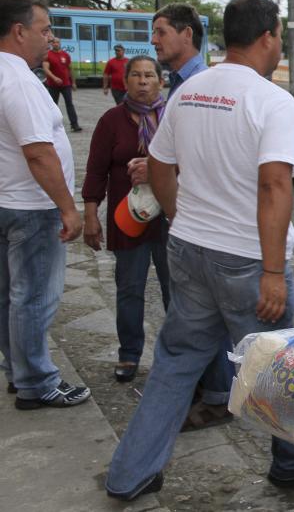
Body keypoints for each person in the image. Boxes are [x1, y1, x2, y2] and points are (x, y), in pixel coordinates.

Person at [105, 0, 294, 501]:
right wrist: (273, 271)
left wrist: (180, 215)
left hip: (189, 250)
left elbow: (159, 164)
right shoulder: (270, 99)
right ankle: (293, 462)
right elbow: (275, 185)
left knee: (176, 361)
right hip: (247, 262)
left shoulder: (190, 90)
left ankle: (130, 473)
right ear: (270, 35)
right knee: (273, 366)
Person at [0, 0, 88, 408]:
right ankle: (37, 381)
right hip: (31, 208)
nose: (49, 39)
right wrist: (68, 208)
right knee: (33, 297)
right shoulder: (18, 80)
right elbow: (38, 151)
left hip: (5, 201)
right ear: (19, 31)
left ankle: (19, 368)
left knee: (8, 295)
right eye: (44, 29)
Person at [152, 2, 234, 430]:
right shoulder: (180, 83)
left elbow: (212, 157)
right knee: (194, 313)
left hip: (203, 223)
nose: (154, 40)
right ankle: (214, 389)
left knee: (204, 316)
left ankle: (221, 394)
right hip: (191, 219)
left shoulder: (201, 85)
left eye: (162, 31)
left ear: (187, 34)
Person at [82, 55, 170, 383]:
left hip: (169, 218)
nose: (143, 81)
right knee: (129, 288)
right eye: (136, 75)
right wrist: (91, 215)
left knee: (173, 288)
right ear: (126, 80)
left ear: (160, 81)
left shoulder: (171, 117)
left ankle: (174, 355)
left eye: (149, 75)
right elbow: (95, 170)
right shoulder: (111, 121)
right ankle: (129, 354)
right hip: (127, 218)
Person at [152, 3, 207, 96]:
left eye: (161, 33)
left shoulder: (204, 84)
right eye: (153, 33)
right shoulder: (178, 79)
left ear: (187, 34)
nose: (153, 40)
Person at [42, 37, 81, 132]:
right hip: (53, 85)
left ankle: (74, 125)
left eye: (58, 42)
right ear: (51, 44)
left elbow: (70, 69)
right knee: (53, 105)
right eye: (54, 42)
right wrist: (54, 78)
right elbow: (45, 69)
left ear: (60, 43)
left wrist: (74, 83)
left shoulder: (65, 55)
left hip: (66, 85)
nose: (56, 44)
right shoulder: (48, 55)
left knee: (69, 104)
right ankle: (50, 125)